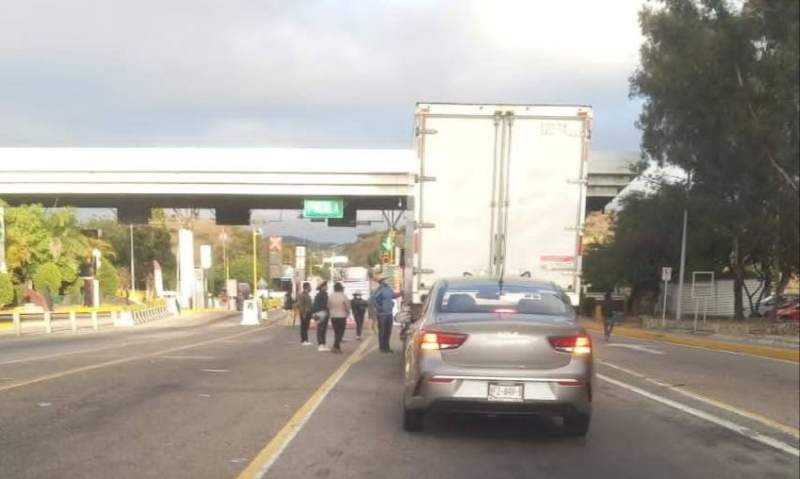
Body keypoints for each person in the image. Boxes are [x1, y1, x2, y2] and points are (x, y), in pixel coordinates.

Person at [370, 275, 401, 353]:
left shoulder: (389, 289)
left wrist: (401, 293)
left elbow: (393, 296)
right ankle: (382, 347)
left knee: (388, 331)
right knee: (382, 331)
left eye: (386, 280)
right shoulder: (379, 290)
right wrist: (379, 308)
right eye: (384, 280)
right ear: (381, 282)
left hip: (389, 313)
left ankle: (387, 347)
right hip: (382, 314)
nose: (386, 281)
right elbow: (373, 299)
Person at [328, 282, 351, 354]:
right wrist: (348, 312)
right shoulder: (343, 296)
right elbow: (347, 306)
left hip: (333, 316)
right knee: (340, 332)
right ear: (341, 288)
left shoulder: (330, 296)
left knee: (336, 332)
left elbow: (328, 306)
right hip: (341, 316)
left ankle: (337, 348)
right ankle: (335, 346)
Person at [312, 282, 330, 351]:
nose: (327, 287)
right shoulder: (320, 295)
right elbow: (315, 306)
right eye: (326, 286)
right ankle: (320, 345)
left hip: (324, 314)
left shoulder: (324, 294)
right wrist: (316, 314)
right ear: (322, 287)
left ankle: (323, 344)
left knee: (323, 329)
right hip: (321, 314)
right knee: (320, 329)